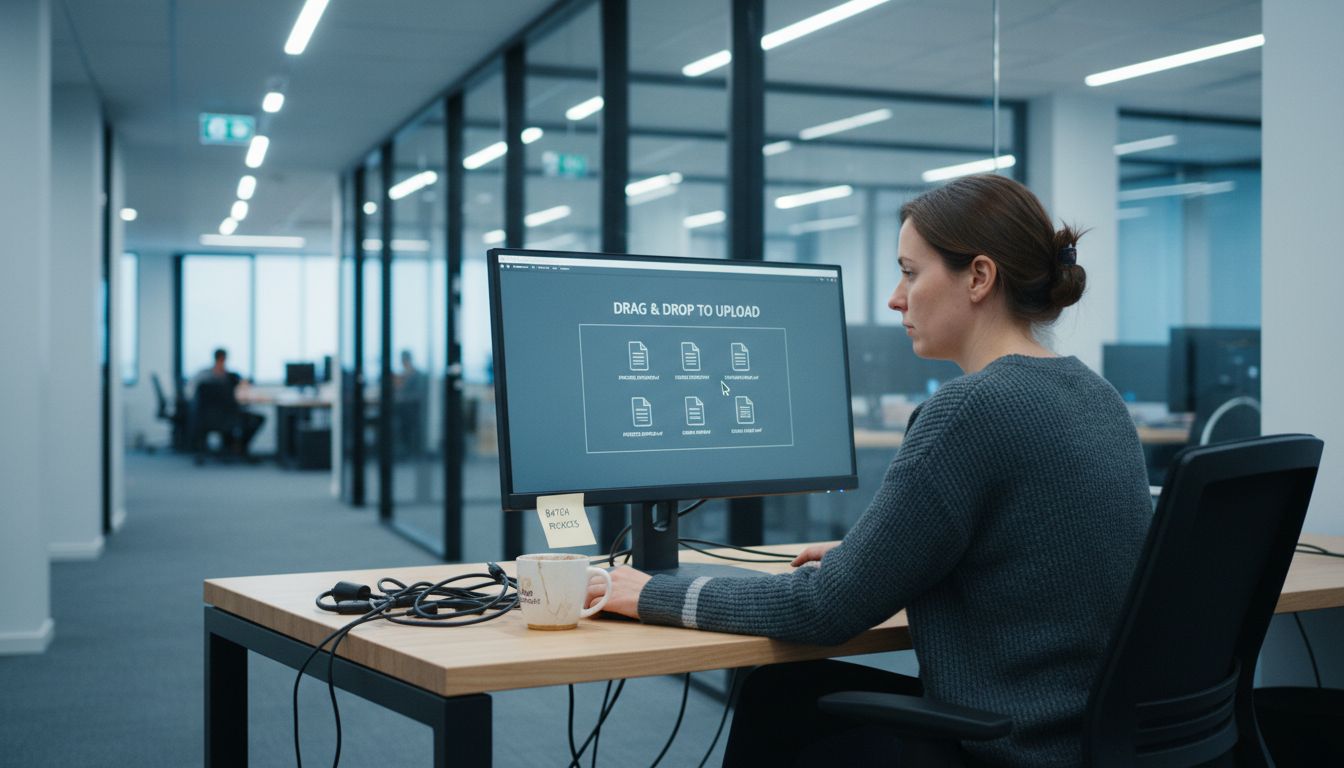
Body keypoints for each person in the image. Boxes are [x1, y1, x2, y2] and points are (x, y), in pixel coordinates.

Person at [587, 174, 1153, 767]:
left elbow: (823, 610)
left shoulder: (970, 409)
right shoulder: (1095, 394)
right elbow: (1039, 554)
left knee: (778, 700)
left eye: (911, 272)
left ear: (980, 277)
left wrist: (652, 593)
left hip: (1012, 747)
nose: (895, 298)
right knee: (789, 693)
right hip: (1094, 739)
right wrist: (881, 557)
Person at [188, 348, 265, 459]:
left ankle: (236, 446)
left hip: (205, 419)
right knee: (257, 418)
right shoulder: (228, 377)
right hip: (229, 417)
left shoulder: (204, 376)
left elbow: (191, 394)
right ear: (225, 359)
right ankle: (240, 448)